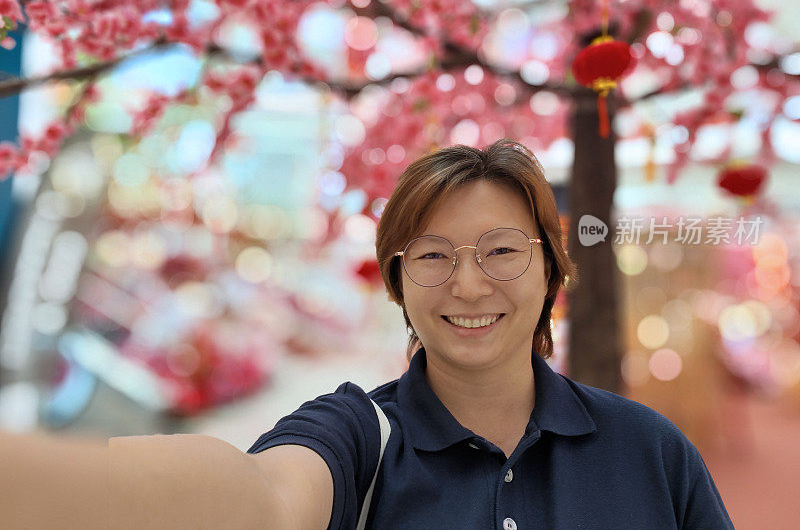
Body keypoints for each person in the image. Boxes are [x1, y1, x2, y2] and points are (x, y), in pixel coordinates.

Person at [0, 139, 734, 530]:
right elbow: (260, 497)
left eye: (503, 251)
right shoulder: (357, 436)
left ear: (551, 270)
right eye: (434, 257)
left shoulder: (651, 452)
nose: (469, 285)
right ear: (398, 284)